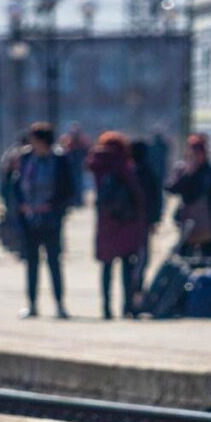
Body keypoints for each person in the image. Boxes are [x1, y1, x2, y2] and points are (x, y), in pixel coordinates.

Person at [14, 122, 73, 319]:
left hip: (50, 217)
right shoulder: (25, 158)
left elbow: (68, 188)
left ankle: (59, 303)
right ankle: (32, 303)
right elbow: (16, 183)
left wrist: (56, 207)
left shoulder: (59, 160)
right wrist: (20, 204)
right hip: (29, 218)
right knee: (31, 262)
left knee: (53, 261)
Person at [87, 132, 146, 319]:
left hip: (105, 222)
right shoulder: (122, 163)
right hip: (125, 222)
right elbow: (135, 191)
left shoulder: (97, 164)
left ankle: (106, 308)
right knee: (127, 267)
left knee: (106, 268)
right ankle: (127, 306)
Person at [166, 134, 211, 257]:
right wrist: (188, 173)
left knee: (207, 256)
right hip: (187, 221)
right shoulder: (181, 169)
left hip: (209, 221)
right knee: (184, 256)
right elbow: (171, 189)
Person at [131, 139, 163, 297]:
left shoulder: (128, 172)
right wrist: (155, 220)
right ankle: (137, 289)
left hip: (130, 223)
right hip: (144, 223)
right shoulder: (149, 173)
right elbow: (156, 198)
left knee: (131, 259)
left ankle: (130, 292)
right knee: (143, 258)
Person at [61, 122, 91, 207]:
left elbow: (87, 151)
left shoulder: (82, 140)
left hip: (79, 165)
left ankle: (79, 200)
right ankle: (74, 200)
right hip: (71, 165)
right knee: (74, 183)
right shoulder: (68, 140)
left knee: (80, 183)